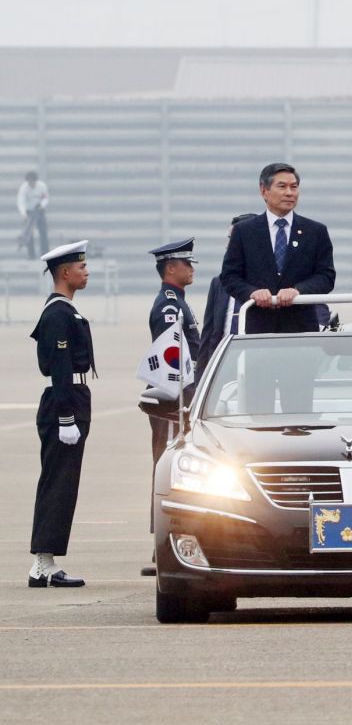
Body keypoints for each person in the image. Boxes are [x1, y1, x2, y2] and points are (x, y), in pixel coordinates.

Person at [28, 240, 96, 587]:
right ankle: (43, 564)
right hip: (63, 401)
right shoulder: (57, 313)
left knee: (62, 483)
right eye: (81, 267)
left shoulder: (64, 309)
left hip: (71, 396)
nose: (86, 272)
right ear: (65, 272)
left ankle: (46, 561)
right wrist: (66, 418)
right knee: (57, 483)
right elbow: (57, 366)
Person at [142, 238, 200, 575]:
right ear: (171, 268)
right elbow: (171, 358)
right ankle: (160, 547)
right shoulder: (168, 305)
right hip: (171, 399)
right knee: (167, 469)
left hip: (180, 397)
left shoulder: (177, 300)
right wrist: (180, 402)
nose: (191, 269)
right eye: (186, 264)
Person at [220, 163, 335, 332]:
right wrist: (252, 292)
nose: (289, 193)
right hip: (258, 327)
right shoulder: (244, 231)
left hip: (301, 328)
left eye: (294, 187)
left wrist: (298, 291)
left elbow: (326, 277)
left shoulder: (315, 231)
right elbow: (229, 276)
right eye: (282, 186)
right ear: (264, 191)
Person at [197, 214, 256, 382]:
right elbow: (208, 338)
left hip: (258, 371)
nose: (227, 245)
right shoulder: (219, 284)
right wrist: (200, 383)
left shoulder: (278, 283)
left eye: (232, 239)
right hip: (223, 371)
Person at [17, 171, 49, 259]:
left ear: (36, 180)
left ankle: (45, 253)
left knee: (43, 232)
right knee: (29, 234)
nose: (31, 183)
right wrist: (23, 213)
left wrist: (41, 205)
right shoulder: (24, 188)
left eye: (33, 181)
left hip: (39, 210)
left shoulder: (42, 186)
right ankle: (31, 255)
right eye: (30, 181)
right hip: (29, 212)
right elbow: (21, 201)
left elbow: (46, 198)